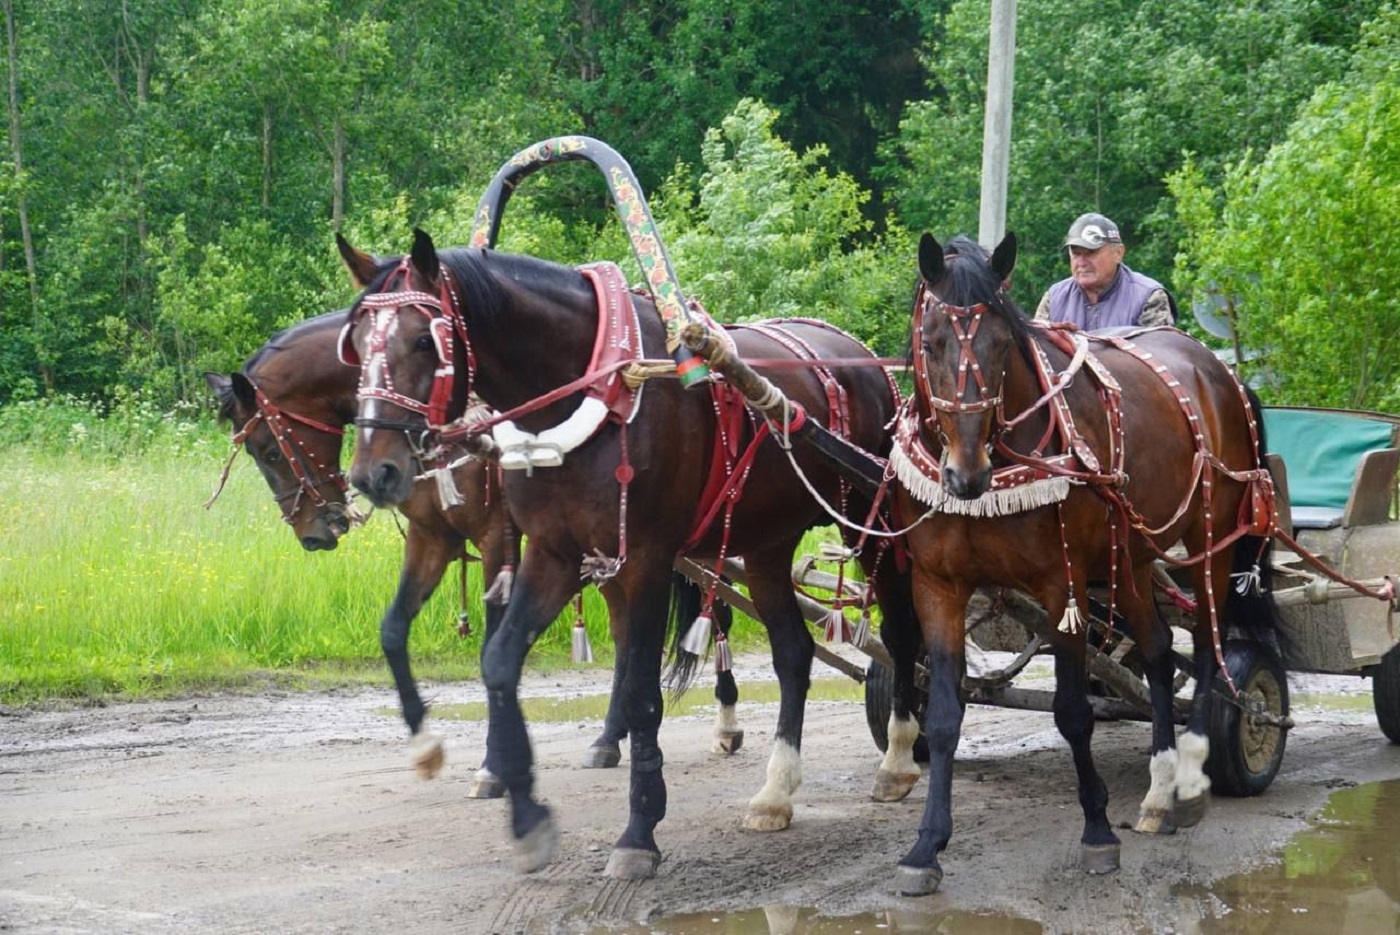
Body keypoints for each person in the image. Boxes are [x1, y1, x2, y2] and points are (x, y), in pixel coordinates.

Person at [1034, 212, 1176, 330]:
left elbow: (1158, 358)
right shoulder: (1054, 298)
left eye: (1091, 253)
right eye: (1076, 253)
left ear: (1118, 253)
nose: (1082, 262)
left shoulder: (1148, 296)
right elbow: (1037, 356)